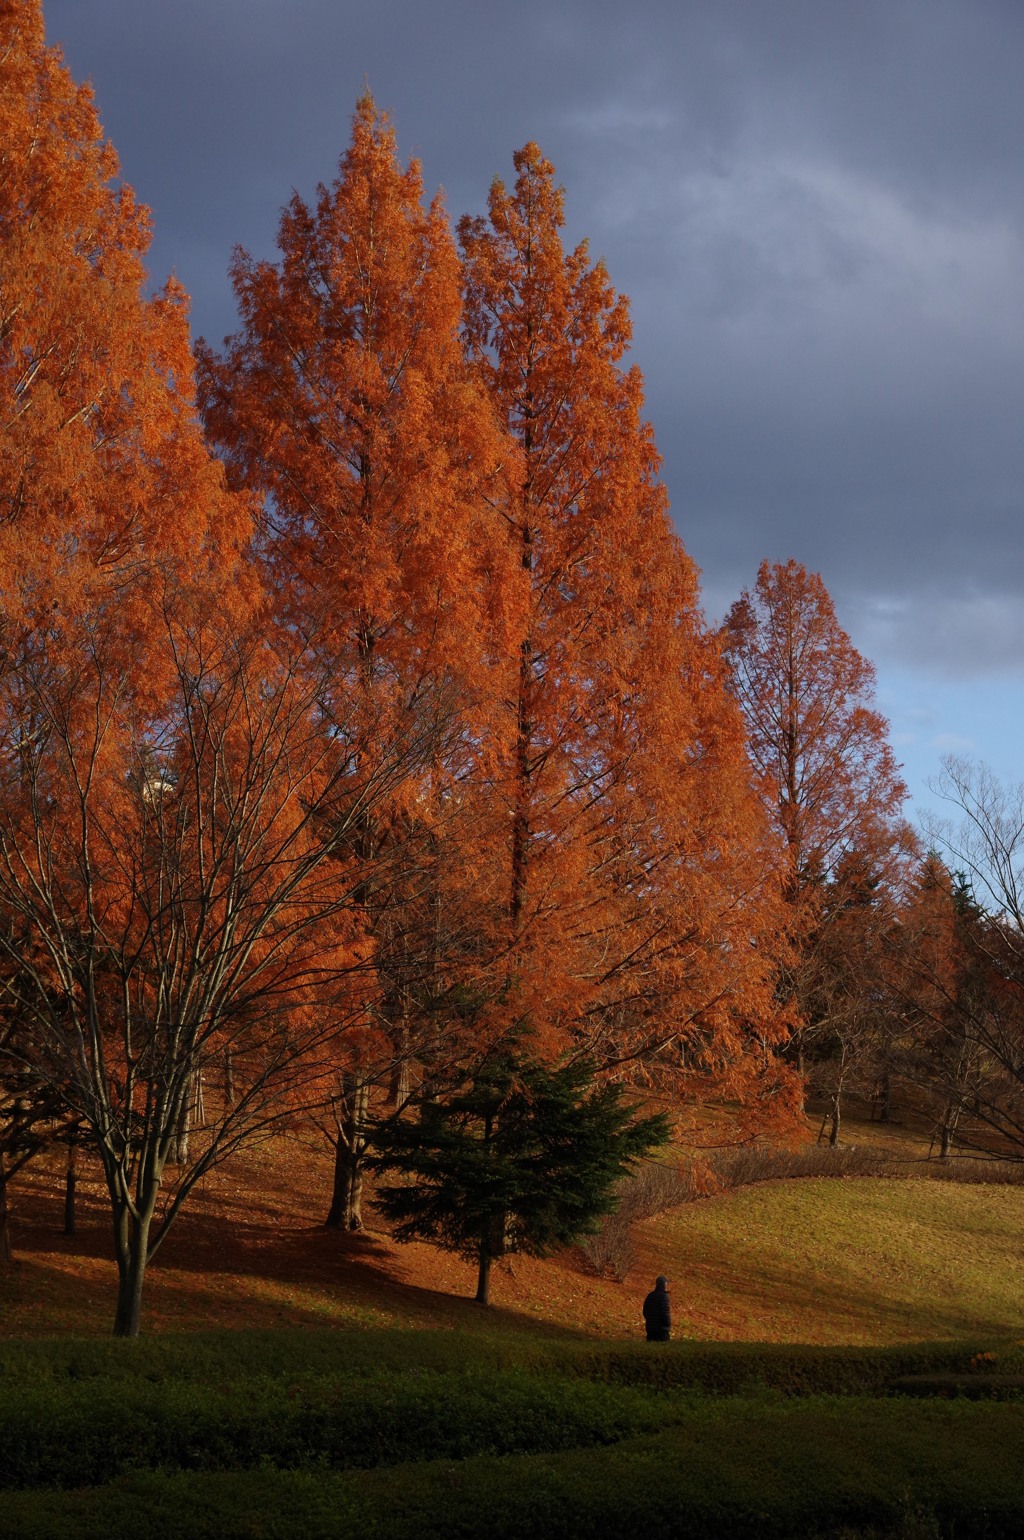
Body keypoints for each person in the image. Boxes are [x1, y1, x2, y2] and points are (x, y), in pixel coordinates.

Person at [642, 1275, 671, 1341]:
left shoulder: (650, 1296)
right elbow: (665, 1313)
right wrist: (668, 1324)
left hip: (650, 1329)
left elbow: (645, 1311)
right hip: (662, 1330)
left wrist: (650, 1321)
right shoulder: (664, 1296)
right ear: (664, 1285)